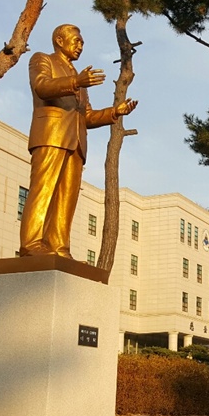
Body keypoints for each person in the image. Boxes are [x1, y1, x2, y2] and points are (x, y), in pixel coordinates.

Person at [19, 24, 137, 258]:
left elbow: (87, 117)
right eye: (76, 41)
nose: (80, 46)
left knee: (67, 199)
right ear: (59, 40)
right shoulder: (42, 60)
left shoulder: (79, 79)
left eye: (82, 42)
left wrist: (115, 112)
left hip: (76, 144)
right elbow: (41, 87)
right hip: (51, 136)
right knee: (43, 191)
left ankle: (59, 248)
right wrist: (76, 82)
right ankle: (31, 245)